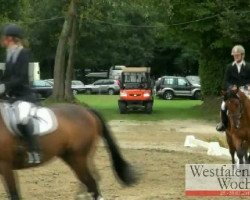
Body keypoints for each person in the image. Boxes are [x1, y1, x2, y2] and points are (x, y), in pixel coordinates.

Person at [0, 24, 41, 163]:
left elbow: (21, 77)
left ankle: (34, 150)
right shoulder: (9, 54)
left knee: (21, 119)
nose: (2, 40)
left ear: (11, 39)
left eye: (4, 38)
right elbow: (6, 76)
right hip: (11, 97)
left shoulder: (23, 53)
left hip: (24, 96)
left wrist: (4, 86)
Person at [216, 45, 250, 132]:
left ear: (243, 55)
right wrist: (231, 86)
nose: (236, 57)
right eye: (234, 55)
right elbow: (225, 81)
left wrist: (246, 86)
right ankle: (223, 124)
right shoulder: (229, 67)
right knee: (223, 105)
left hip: (246, 90)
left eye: (238, 55)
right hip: (233, 91)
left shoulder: (248, 66)